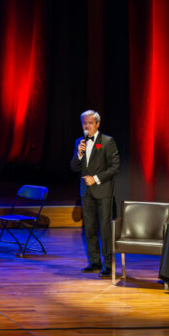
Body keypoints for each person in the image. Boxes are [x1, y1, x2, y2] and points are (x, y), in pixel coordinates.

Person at [69, 110, 120, 278]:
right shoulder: (79, 141)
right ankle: (94, 262)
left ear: (97, 124)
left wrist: (96, 178)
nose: (87, 126)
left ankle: (108, 265)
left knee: (105, 229)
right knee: (89, 228)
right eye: (84, 123)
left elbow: (115, 167)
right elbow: (74, 167)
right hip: (86, 193)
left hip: (103, 191)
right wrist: (79, 154)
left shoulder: (107, 141)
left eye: (90, 123)